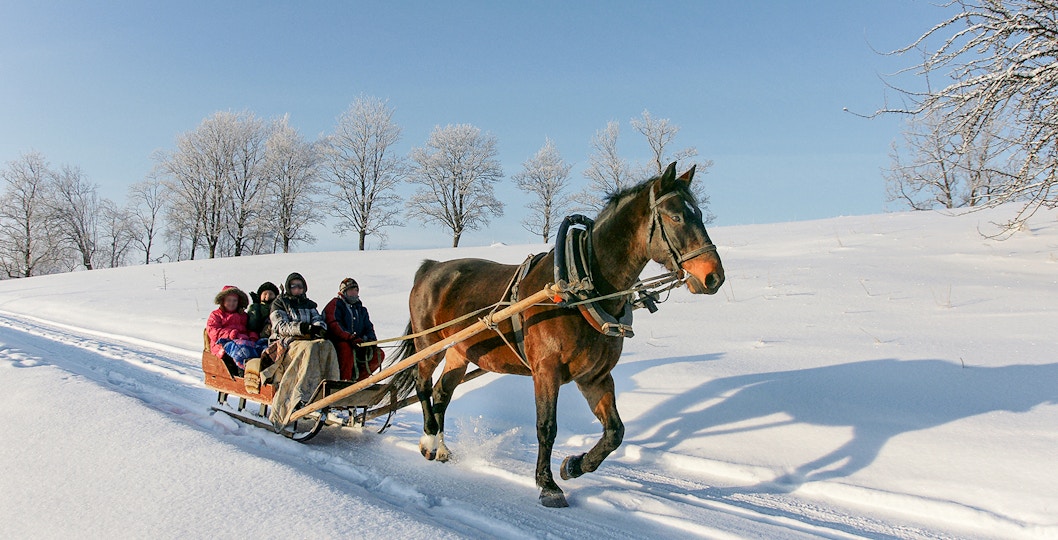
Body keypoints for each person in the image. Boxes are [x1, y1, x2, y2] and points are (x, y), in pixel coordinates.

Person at [265, 272, 340, 426]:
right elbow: (280, 326)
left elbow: (318, 320)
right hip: (287, 342)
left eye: (300, 286)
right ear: (288, 288)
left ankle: (330, 391)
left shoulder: (309, 304)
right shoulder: (280, 303)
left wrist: (319, 328)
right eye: (294, 286)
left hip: (307, 339)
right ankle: (301, 393)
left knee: (328, 346)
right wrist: (303, 328)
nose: (297, 289)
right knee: (310, 348)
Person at [323, 277, 384, 381]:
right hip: (338, 342)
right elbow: (333, 323)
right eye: (351, 290)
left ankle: (358, 381)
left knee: (378, 355)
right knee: (346, 350)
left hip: (358, 342)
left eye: (356, 290)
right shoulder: (336, 304)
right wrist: (350, 337)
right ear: (344, 292)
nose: (354, 293)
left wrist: (370, 340)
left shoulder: (361, 310)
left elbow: (368, 327)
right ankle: (344, 382)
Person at [205, 285, 261, 372]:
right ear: (223, 301)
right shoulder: (216, 315)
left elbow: (249, 329)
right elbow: (213, 331)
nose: (232, 303)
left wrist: (252, 336)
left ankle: (255, 371)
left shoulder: (243, 315)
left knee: (259, 347)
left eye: (234, 300)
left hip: (243, 342)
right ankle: (242, 373)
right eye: (228, 300)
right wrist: (231, 334)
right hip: (222, 344)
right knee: (241, 349)